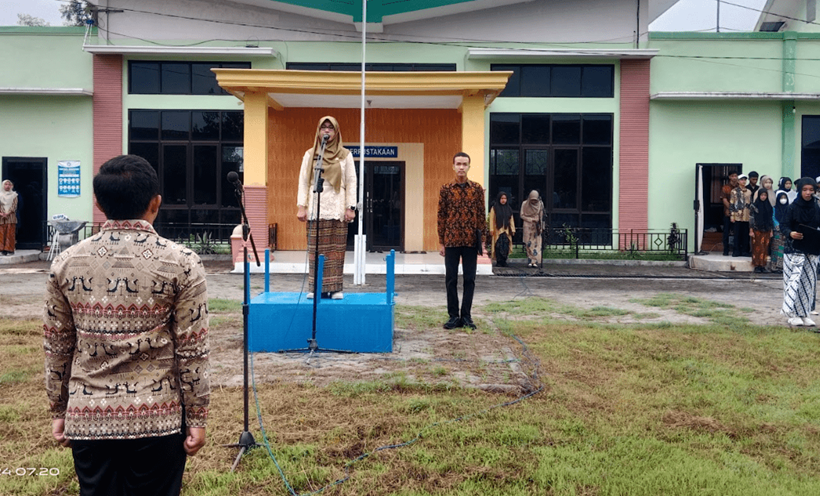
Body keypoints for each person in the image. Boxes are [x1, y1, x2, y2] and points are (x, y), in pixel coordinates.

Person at [43, 155, 210, 496]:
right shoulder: (182, 263)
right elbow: (193, 350)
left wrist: (60, 409)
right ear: (156, 203)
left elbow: (56, 346)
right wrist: (196, 417)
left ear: (98, 203)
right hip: (158, 421)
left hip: (89, 419)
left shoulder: (66, 263)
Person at [296, 116, 357, 300]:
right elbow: (303, 182)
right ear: (318, 131)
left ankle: (336, 288)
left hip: (337, 207)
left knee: (335, 251)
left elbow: (352, 182)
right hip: (316, 206)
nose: (327, 131)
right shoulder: (310, 154)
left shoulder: (345, 155)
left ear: (336, 131)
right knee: (316, 250)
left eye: (331, 128)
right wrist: (302, 206)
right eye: (324, 128)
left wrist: (350, 207)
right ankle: (315, 287)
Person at [438, 152, 487, 330]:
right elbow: (441, 216)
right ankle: (453, 316)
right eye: (458, 164)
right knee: (451, 279)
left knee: (469, 279)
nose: (461, 167)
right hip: (451, 240)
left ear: (469, 166)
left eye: (464, 164)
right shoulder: (446, 189)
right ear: (453, 166)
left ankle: (466, 316)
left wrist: (482, 241)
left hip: (470, 240)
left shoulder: (476, 189)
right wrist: (441, 242)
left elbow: (481, 216)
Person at [780, 177, 820, 327]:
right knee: (793, 281)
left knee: (808, 283)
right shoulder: (792, 207)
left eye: (811, 190)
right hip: (794, 249)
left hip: (811, 249)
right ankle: (791, 314)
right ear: (800, 190)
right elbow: (783, 225)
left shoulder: (816, 207)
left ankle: (804, 313)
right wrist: (791, 233)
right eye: (805, 190)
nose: (808, 193)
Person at [749, 189, 774, 273]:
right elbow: (751, 218)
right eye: (762, 195)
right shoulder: (754, 206)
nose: (763, 197)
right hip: (757, 229)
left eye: (765, 195)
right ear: (759, 196)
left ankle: (763, 265)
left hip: (766, 229)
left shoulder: (769, 206)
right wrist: (751, 230)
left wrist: (771, 230)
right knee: (757, 247)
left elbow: (770, 218)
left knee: (764, 248)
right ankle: (757, 265)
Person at [489, 191, 515, 267]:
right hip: (497, 230)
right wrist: (491, 229)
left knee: (506, 246)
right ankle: (499, 261)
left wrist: (512, 229)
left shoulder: (508, 208)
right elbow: (492, 219)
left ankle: (504, 261)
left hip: (506, 230)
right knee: (498, 246)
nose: (503, 200)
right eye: (502, 198)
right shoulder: (494, 208)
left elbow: (511, 219)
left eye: (505, 198)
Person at [520, 190, 545, 268]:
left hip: (536, 225)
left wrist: (541, 227)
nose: (534, 201)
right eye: (532, 200)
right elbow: (522, 215)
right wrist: (530, 219)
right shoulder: (524, 204)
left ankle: (535, 261)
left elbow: (541, 216)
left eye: (535, 200)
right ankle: (530, 259)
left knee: (536, 243)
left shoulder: (540, 204)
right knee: (528, 243)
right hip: (527, 225)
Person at [730, 174, 752, 257]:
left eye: (745, 180)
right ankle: (736, 250)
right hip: (737, 215)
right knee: (737, 234)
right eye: (742, 180)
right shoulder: (734, 191)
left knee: (745, 234)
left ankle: (745, 251)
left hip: (746, 215)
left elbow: (750, 203)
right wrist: (732, 215)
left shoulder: (749, 191)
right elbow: (732, 203)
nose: (743, 181)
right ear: (738, 181)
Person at [720, 172, 739, 256]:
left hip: (738, 213)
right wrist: (731, 209)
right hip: (728, 213)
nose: (734, 178)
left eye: (736, 176)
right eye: (732, 176)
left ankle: (736, 250)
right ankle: (726, 250)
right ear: (729, 177)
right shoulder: (726, 187)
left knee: (737, 232)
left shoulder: (740, 187)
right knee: (726, 232)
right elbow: (724, 200)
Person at [771, 190, 789, 272]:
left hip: (786, 231)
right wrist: (778, 226)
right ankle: (774, 267)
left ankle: (781, 267)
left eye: (785, 198)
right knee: (775, 249)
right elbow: (773, 218)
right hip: (777, 231)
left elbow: (789, 219)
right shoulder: (774, 208)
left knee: (783, 249)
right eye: (781, 198)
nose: (783, 199)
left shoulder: (789, 209)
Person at [0, 179, 17, 255]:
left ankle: (9, 249)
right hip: (1, 217)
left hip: (11, 217)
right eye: (6, 184)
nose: (7, 186)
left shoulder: (14, 195)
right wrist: (1, 213)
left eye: (9, 185)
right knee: (1, 233)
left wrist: (8, 213)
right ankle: (1, 249)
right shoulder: (0, 194)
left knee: (10, 233)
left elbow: (14, 206)